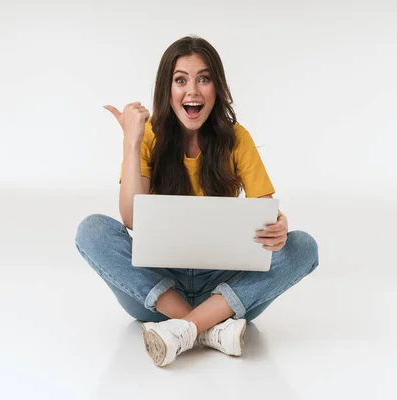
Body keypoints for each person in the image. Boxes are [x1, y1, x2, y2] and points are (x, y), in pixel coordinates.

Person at [75, 35, 319, 367]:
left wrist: (280, 227)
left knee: (303, 246)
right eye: (181, 80)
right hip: (158, 288)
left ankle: (185, 330)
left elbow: (266, 213)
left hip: (224, 289)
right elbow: (132, 218)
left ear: (217, 88)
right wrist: (131, 142)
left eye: (204, 79)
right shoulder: (149, 137)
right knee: (91, 230)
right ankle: (206, 330)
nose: (193, 90)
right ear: (167, 90)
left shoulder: (236, 139)